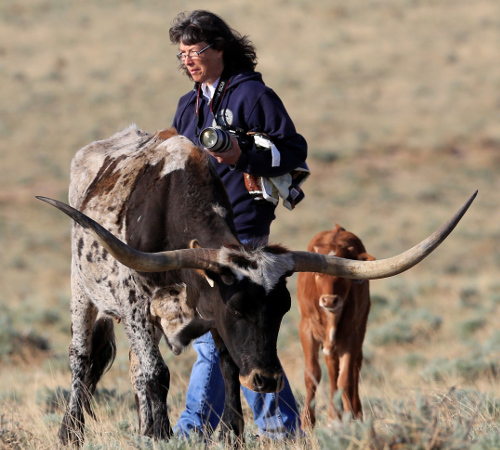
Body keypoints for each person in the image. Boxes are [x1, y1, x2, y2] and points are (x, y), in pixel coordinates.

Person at [169, 10, 308, 440]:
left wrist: (242, 157)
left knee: (218, 336)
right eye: (182, 54)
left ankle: (195, 432)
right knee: (237, 335)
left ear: (220, 48)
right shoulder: (186, 107)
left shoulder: (251, 95)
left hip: (244, 231)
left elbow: (293, 151)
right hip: (200, 239)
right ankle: (282, 430)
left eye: (196, 51)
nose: (188, 60)